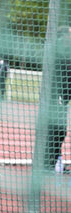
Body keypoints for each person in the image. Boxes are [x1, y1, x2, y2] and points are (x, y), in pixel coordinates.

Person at [45, 25, 71, 173]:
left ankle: (56, 161)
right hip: (55, 99)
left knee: (60, 132)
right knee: (56, 131)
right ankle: (50, 164)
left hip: (62, 99)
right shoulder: (57, 53)